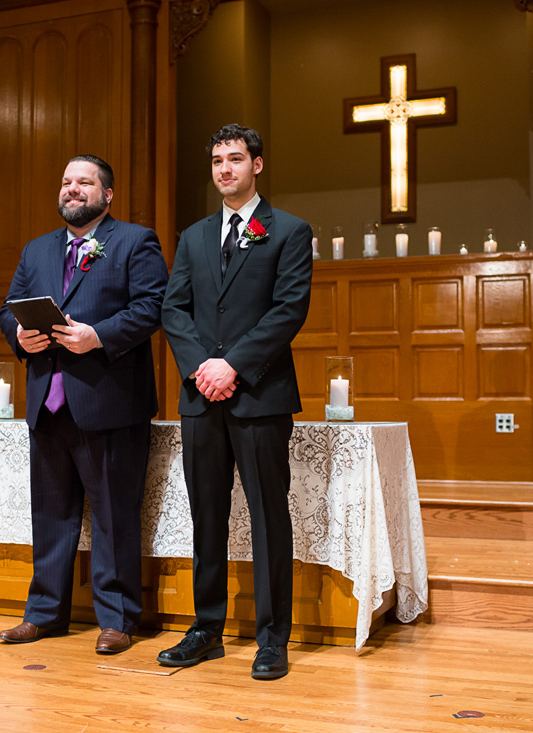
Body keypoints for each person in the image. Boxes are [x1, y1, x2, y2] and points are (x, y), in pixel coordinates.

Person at [0, 154, 168, 654]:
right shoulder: (37, 250)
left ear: (106, 195)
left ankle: (118, 618)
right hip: (47, 403)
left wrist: (98, 336)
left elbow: (151, 306)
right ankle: (44, 613)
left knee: (115, 514)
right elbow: (10, 307)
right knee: (50, 513)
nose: (74, 189)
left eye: (85, 182)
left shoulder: (135, 241)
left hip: (108, 402)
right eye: (67, 181)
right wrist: (19, 336)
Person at [158, 124, 313, 680]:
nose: (225, 169)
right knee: (207, 515)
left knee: (270, 516)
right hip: (201, 396)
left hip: (259, 395)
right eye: (218, 160)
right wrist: (203, 369)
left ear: (258, 166)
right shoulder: (194, 236)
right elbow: (173, 309)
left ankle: (273, 637)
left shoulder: (289, 231)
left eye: (236, 159)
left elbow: (288, 310)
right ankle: (206, 628)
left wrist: (234, 366)